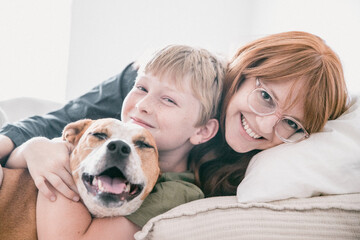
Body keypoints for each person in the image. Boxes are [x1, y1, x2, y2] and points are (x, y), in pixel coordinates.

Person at [1, 45, 226, 239]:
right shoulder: (91, 139)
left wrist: (65, 165)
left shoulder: (176, 191)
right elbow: (13, 159)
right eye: (141, 88)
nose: (143, 105)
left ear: (203, 130)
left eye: (168, 100)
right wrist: (35, 146)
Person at [189, 31, 349, 197]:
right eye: (266, 97)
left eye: (291, 123)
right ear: (244, 71)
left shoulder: (260, 178)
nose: (265, 127)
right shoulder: (188, 92)